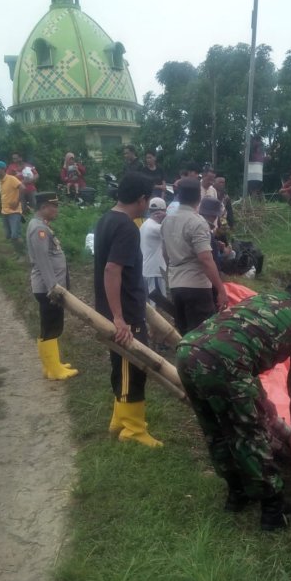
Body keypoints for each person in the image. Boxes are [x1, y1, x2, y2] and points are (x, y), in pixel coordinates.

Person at [176, 273, 291, 530]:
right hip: (226, 363)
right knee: (250, 436)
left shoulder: (263, 298)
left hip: (188, 350)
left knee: (216, 430)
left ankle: (237, 495)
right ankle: (273, 509)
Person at [93, 172, 163, 448]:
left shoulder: (106, 219)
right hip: (123, 312)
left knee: (123, 367)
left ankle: (119, 420)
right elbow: (112, 270)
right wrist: (119, 317)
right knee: (131, 367)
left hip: (121, 307)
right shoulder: (126, 227)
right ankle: (133, 429)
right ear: (142, 198)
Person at [160, 178, 227, 335]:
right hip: (197, 286)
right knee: (202, 337)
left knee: (184, 334)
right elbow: (205, 259)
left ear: (179, 197)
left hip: (176, 285)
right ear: (199, 198)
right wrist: (221, 289)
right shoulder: (198, 222)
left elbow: (165, 253)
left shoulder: (167, 220)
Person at [26, 191, 78, 381]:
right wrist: (53, 288)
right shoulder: (38, 229)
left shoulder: (42, 226)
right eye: (53, 206)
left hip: (48, 286)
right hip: (48, 288)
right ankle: (54, 369)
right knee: (51, 326)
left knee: (50, 326)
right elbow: (43, 261)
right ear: (43, 207)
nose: (56, 209)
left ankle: (51, 365)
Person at [0, 160, 25, 258]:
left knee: (15, 235)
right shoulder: (0, 182)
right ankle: (17, 252)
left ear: (3, 169)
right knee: (9, 236)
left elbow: (22, 188)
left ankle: (23, 255)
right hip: (5, 212)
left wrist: (17, 202)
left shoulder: (11, 179)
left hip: (14, 212)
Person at [140, 197, 168, 301]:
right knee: (159, 302)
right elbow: (173, 231)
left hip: (148, 269)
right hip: (155, 270)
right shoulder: (156, 228)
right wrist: (167, 218)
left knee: (152, 301)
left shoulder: (146, 224)